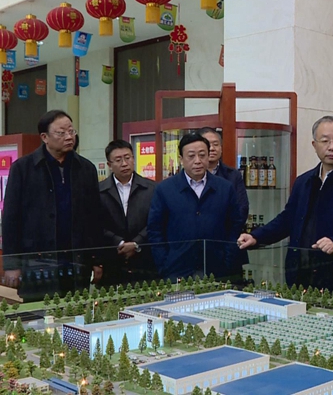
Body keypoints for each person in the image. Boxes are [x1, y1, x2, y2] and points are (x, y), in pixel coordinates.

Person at [237, 115, 333, 287]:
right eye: (325, 141)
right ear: (314, 145)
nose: (332, 147)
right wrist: (256, 236)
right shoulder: (304, 181)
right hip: (299, 273)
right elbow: (287, 219)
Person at [2, 110, 102, 300]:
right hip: (36, 261)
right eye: (61, 133)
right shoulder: (23, 168)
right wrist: (11, 265)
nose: (69, 137)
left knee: (75, 309)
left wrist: (97, 260)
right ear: (44, 137)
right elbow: (10, 219)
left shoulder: (86, 168)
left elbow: (95, 218)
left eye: (71, 131)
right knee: (40, 312)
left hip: (76, 260)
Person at [147, 133, 244, 281]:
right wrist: (164, 263)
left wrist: (228, 258)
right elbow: (155, 230)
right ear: (181, 159)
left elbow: (235, 226)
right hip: (176, 269)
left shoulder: (225, 188)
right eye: (191, 156)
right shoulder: (165, 189)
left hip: (218, 269)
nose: (197, 161)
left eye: (202, 155)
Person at [99, 139, 156, 285]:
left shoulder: (151, 188)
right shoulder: (99, 191)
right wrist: (118, 242)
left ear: (133, 159)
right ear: (109, 165)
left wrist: (137, 243)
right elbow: (95, 224)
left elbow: (156, 221)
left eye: (127, 158)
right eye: (118, 160)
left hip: (145, 262)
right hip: (111, 261)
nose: (124, 163)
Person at [197, 127, 249, 280]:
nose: (212, 148)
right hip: (195, 252)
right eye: (208, 144)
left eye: (216, 144)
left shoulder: (233, 176)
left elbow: (241, 210)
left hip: (228, 247)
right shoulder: (189, 176)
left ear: (221, 148)